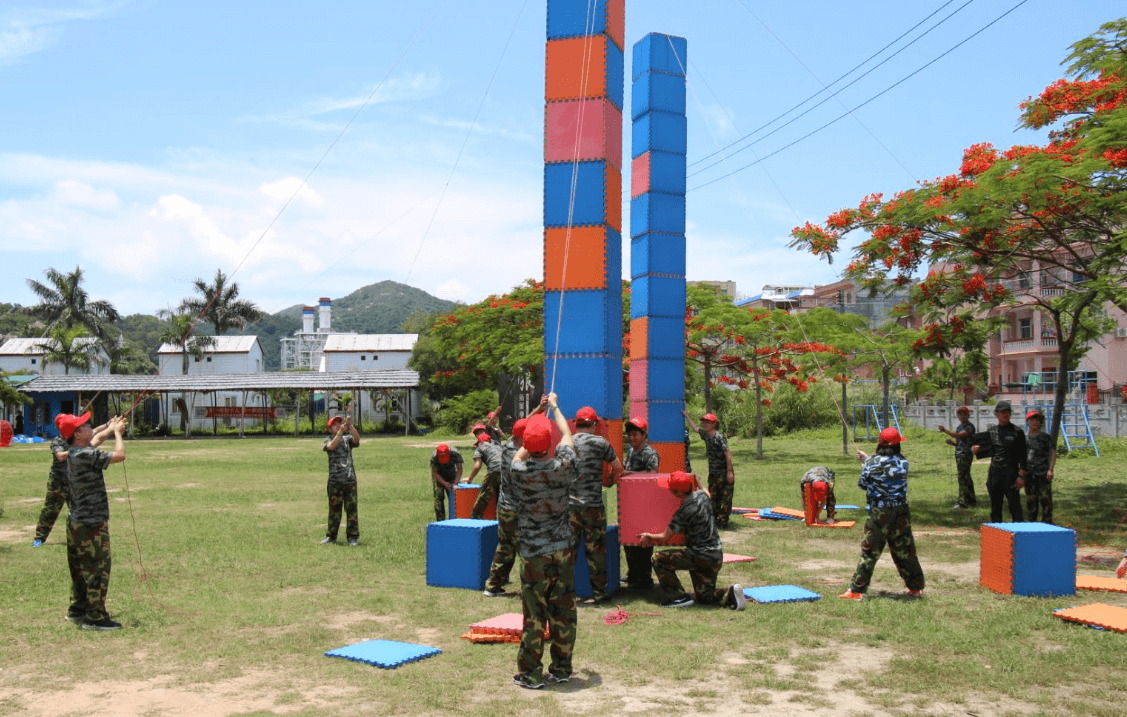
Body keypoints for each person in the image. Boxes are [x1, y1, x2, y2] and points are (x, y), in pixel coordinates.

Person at [508, 392, 578, 689]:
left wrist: (532, 433)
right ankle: (562, 669)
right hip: (562, 551)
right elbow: (567, 435)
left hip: (534, 555)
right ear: (549, 445)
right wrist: (555, 407)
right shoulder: (563, 468)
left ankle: (531, 674)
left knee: (534, 617)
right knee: (563, 612)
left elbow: (518, 455)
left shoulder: (517, 471)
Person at [639, 471, 746, 610]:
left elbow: (665, 537)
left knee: (658, 558)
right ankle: (730, 593)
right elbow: (707, 493)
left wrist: (648, 535)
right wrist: (699, 482)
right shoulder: (702, 497)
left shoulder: (684, 511)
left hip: (698, 556)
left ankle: (678, 597)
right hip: (715, 556)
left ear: (677, 493)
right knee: (704, 596)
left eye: (671, 489)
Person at [840, 427, 925, 600]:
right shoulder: (903, 462)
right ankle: (915, 588)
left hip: (880, 512)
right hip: (901, 511)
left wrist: (866, 463)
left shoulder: (872, 463)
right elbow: (887, 467)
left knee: (870, 551)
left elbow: (863, 484)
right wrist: (868, 460)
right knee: (905, 549)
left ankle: (856, 590)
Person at [60, 412, 127, 629]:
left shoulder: (74, 451)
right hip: (91, 523)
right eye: (86, 425)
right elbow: (119, 455)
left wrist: (109, 426)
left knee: (80, 569)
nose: (90, 427)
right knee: (98, 568)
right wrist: (117, 433)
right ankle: (95, 618)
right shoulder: (84, 454)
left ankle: (78, 610)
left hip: (77, 521)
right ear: (78, 434)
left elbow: (96, 440)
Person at [484, 398, 547, 598]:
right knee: (526, 548)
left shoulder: (511, 442)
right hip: (516, 510)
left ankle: (493, 586)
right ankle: (531, 588)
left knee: (506, 547)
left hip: (504, 507)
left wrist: (539, 409)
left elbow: (523, 424)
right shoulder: (517, 454)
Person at [569, 406, 624, 605]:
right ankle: (599, 594)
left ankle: (566, 594)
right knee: (597, 551)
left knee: (568, 552)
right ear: (593, 425)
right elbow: (618, 466)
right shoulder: (600, 443)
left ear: (576, 424)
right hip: (593, 505)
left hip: (570, 507)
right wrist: (608, 480)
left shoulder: (566, 443)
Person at [35, 414, 113, 547]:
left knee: (78, 510)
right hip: (58, 482)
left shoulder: (79, 437)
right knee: (50, 510)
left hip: (75, 482)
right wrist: (78, 450)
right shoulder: (58, 441)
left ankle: (81, 537)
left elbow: (95, 432)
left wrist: (108, 425)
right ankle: (40, 538)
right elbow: (60, 457)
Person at [971, 400, 1027, 523]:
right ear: (996, 414)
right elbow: (983, 448)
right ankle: (996, 536)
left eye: (1006, 413)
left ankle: (1019, 534)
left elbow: (1024, 455)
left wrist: (1021, 476)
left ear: (1010, 414)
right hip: (995, 473)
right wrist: (976, 449)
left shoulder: (1017, 432)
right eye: (1001, 413)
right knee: (995, 506)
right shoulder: (992, 431)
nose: (1004, 415)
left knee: (1015, 506)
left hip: (1011, 474)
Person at [622, 416, 660, 590]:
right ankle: (633, 575)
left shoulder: (650, 454)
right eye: (630, 435)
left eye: (636, 434)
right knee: (629, 542)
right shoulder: (630, 451)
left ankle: (644, 579)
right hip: (629, 504)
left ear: (644, 435)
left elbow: (652, 476)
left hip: (645, 505)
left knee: (643, 543)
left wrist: (628, 475)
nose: (632, 438)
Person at [683, 411, 735, 529]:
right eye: (704, 422)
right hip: (713, 473)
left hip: (723, 472)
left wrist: (729, 472)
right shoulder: (706, 435)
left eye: (707, 422)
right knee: (713, 496)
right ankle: (714, 519)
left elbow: (727, 454)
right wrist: (687, 416)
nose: (704, 424)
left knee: (725, 497)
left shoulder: (718, 437)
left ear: (714, 424)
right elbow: (696, 428)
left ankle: (723, 521)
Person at [322, 414, 360, 545]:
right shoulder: (328, 439)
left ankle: (353, 537)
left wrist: (350, 426)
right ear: (330, 429)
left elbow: (356, 439)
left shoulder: (347, 439)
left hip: (350, 480)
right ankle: (331, 536)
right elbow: (331, 447)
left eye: (339, 423)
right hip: (335, 481)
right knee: (334, 511)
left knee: (352, 510)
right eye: (335, 424)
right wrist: (340, 433)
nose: (338, 425)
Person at [938, 406, 978, 509]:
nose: (961, 416)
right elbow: (957, 442)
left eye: (964, 414)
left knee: (962, 477)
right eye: (959, 414)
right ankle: (971, 499)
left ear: (968, 415)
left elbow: (959, 436)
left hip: (965, 454)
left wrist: (945, 430)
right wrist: (951, 443)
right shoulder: (959, 427)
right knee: (966, 476)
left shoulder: (969, 427)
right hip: (959, 453)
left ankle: (963, 502)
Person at [1024, 410, 1056, 524]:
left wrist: (1050, 469)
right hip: (1029, 474)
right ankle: (1032, 525)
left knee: (1046, 500)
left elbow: (1053, 453)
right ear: (1027, 421)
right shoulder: (1024, 438)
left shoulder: (1045, 437)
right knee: (1031, 501)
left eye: (1037, 419)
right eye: (1032, 419)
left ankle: (1048, 525)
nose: (1035, 422)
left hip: (1043, 474)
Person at [467, 424, 504, 519]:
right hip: (507, 470)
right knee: (501, 498)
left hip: (495, 470)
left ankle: (474, 520)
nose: (478, 434)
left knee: (483, 498)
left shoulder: (479, 447)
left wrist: (470, 479)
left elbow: (477, 465)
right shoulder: (496, 443)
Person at [429, 444, 462, 522]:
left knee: (454, 498)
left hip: (452, 474)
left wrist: (455, 482)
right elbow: (434, 473)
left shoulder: (455, 453)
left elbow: (459, 469)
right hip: (439, 476)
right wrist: (444, 483)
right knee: (438, 499)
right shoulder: (434, 456)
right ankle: (440, 521)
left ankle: (455, 520)